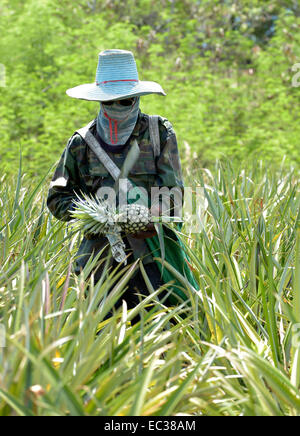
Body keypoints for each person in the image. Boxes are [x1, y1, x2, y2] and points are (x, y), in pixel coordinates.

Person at [47, 49, 195, 320]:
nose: (116, 108)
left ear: (137, 98)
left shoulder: (159, 132)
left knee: (165, 332)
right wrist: (98, 216)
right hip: (99, 262)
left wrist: (148, 217)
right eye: (108, 102)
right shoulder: (81, 143)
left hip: (153, 259)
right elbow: (57, 198)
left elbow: (174, 193)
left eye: (125, 101)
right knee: (99, 338)